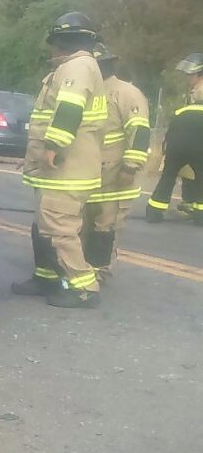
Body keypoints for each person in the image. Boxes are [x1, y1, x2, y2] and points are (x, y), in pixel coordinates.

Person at [12, 12, 107, 308]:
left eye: (53, 44)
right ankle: (47, 277)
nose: (51, 51)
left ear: (62, 42)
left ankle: (84, 288)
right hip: (62, 169)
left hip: (69, 168)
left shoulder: (77, 67)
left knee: (61, 228)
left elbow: (69, 109)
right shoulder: (78, 66)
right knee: (46, 224)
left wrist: (53, 146)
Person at [82, 45, 151, 279]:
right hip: (87, 172)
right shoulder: (88, 91)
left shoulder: (125, 92)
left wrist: (131, 167)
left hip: (114, 175)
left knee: (105, 224)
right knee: (83, 224)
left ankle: (99, 268)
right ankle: (83, 266)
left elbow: (140, 131)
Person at [145, 53, 203, 226]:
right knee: (199, 175)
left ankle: (154, 211)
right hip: (193, 138)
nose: (188, 79)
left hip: (182, 136)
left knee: (170, 175)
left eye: (191, 75)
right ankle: (198, 212)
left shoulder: (199, 90)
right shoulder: (195, 90)